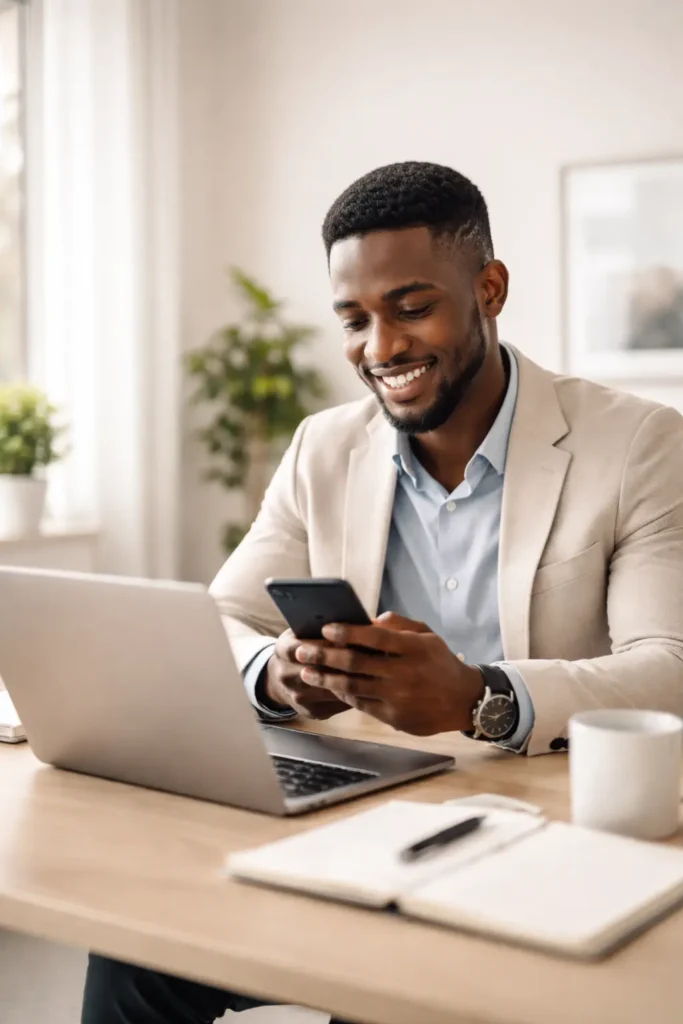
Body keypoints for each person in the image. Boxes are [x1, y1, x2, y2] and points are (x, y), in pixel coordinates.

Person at [82, 161, 683, 1023]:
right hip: (358, 818)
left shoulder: (636, 444)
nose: (380, 348)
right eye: (354, 319)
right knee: (134, 952)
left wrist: (480, 697)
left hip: (543, 840)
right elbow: (219, 617)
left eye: (410, 308)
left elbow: (667, 667)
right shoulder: (322, 449)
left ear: (488, 289)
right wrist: (276, 675)